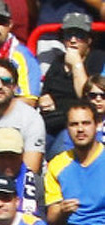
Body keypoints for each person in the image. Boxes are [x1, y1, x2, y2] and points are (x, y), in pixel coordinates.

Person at [45, 101, 105, 225]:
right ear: (67, 128)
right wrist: (62, 211)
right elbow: (52, 221)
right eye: (74, 124)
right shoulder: (57, 164)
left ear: (95, 125)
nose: (80, 129)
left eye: (86, 123)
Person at [39, 11, 105, 147]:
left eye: (79, 36)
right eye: (68, 35)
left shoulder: (97, 58)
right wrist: (44, 98)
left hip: (78, 124)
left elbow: (87, 96)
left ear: (89, 40)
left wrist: (76, 64)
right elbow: (45, 92)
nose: (73, 40)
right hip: (51, 122)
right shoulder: (57, 62)